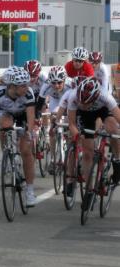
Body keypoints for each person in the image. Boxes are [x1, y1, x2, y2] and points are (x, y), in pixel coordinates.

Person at [0, 66, 38, 206]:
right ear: (12, 86)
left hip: (22, 115)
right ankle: (7, 154)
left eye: (27, 84)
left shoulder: (28, 94)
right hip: (6, 113)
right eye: (22, 85)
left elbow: (30, 117)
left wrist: (30, 133)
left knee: (26, 151)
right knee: (5, 125)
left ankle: (29, 190)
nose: (26, 88)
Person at [67, 77, 120, 208]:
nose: (84, 105)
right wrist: (78, 136)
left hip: (103, 111)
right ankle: (89, 190)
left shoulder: (105, 97)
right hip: (85, 117)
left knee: (113, 129)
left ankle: (117, 159)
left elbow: (118, 117)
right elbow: (72, 124)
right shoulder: (74, 97)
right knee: (87, 153)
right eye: (82, 102)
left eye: (87, 102)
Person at [37, 66, 72, 173]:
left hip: (68, 101)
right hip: (55, 101)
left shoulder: (71, 84)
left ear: (64, 80)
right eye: (54, 83)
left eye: (59, 83)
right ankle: (53, 159)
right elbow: (40, 103)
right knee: (53, 128)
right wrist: (37, 115)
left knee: (70, 125)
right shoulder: (46, 85)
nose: (56, 86)